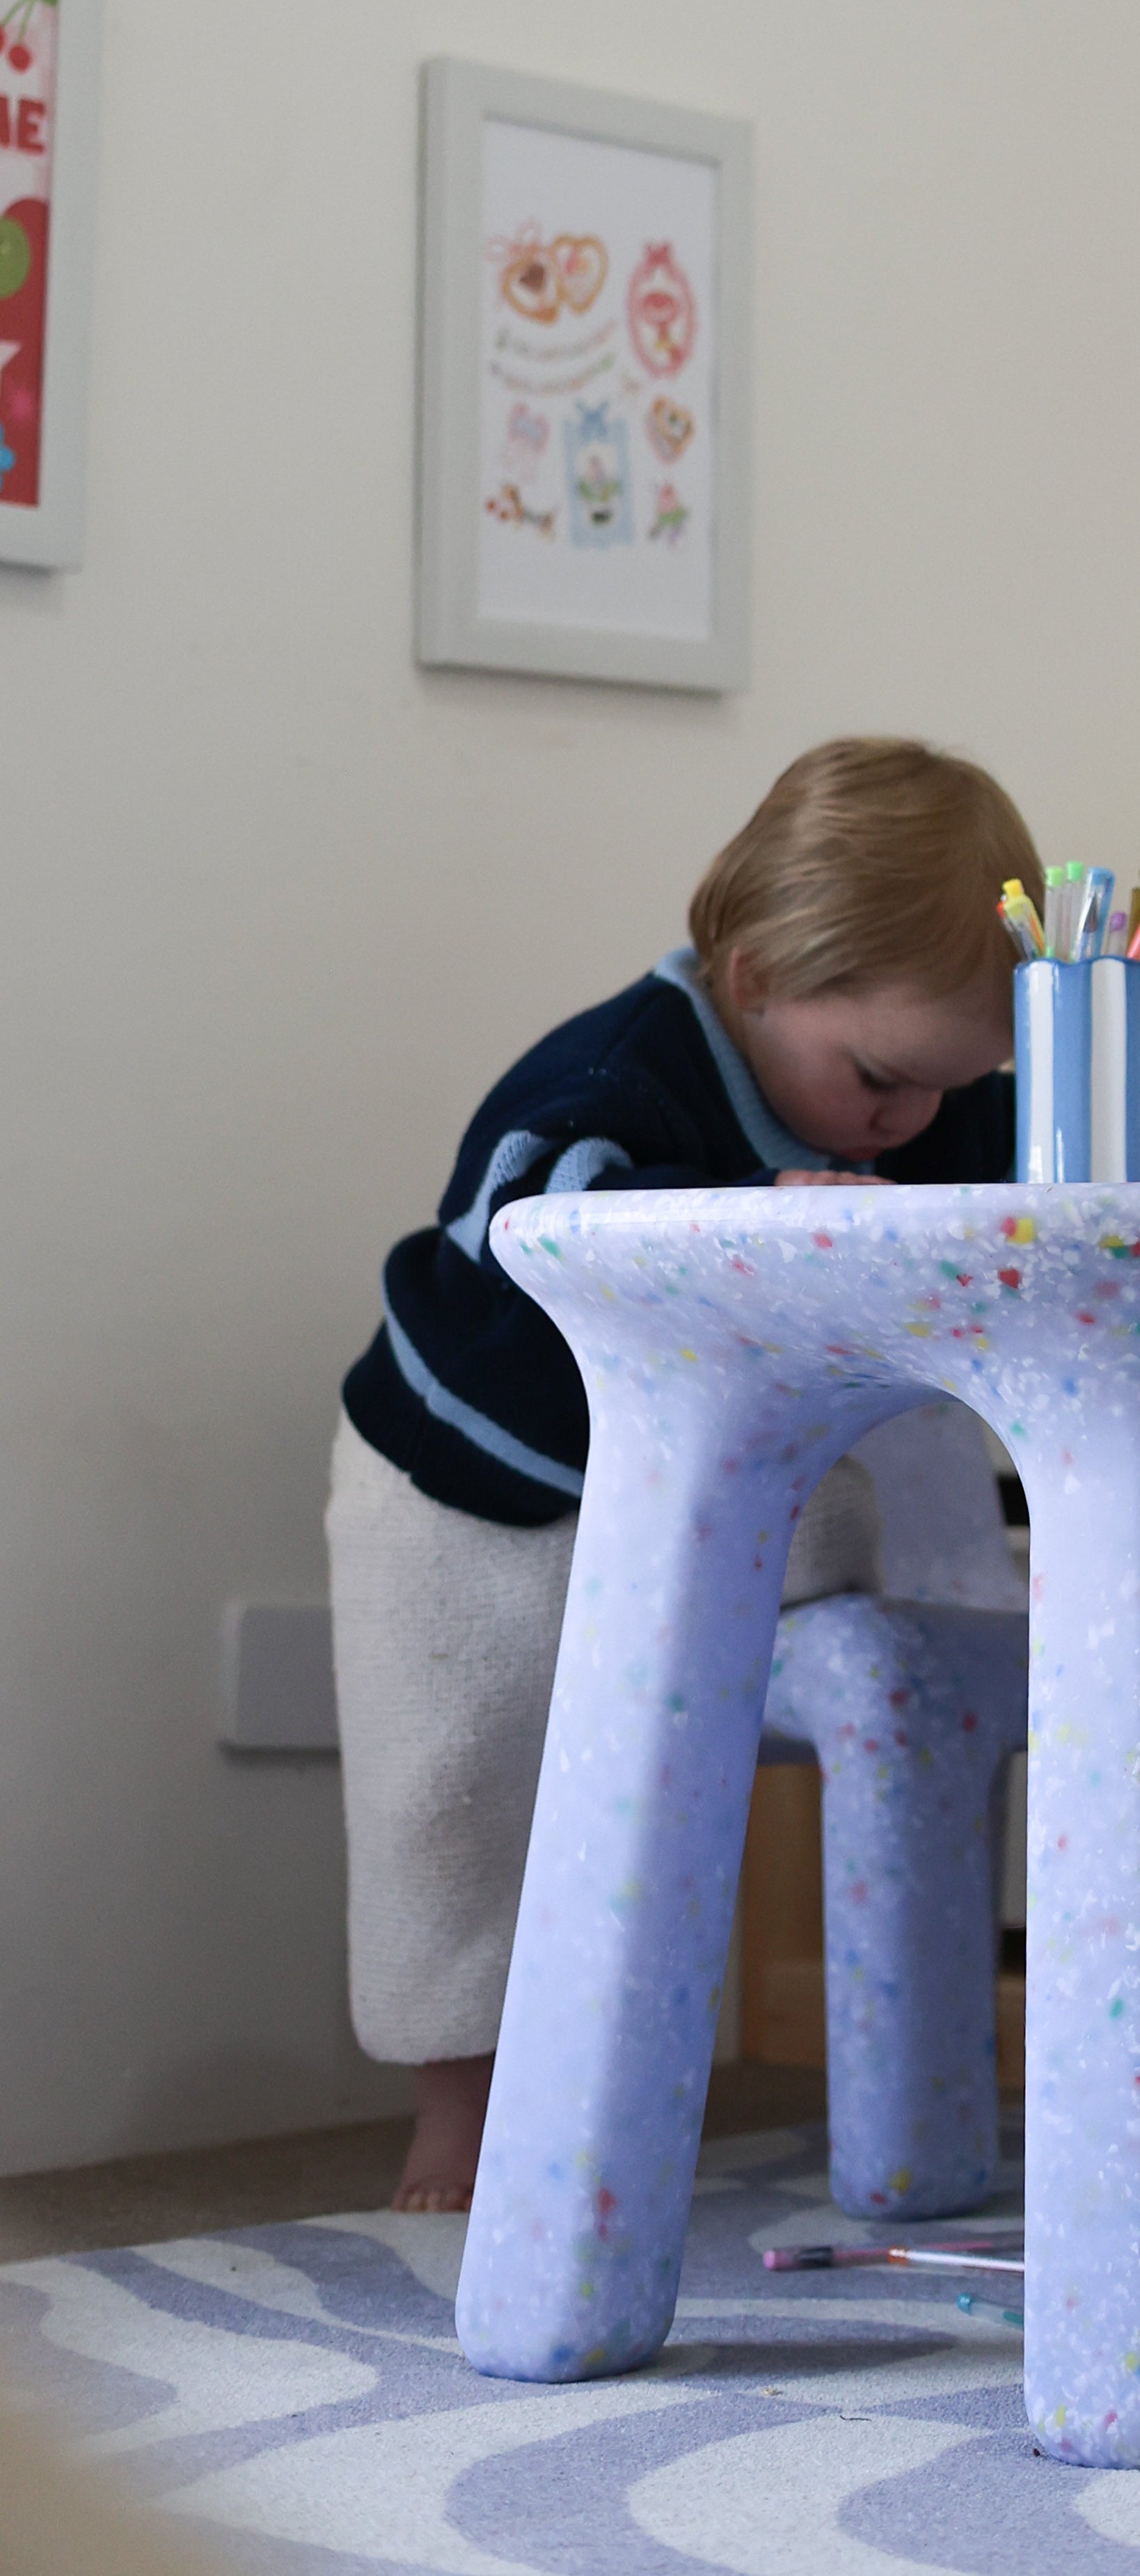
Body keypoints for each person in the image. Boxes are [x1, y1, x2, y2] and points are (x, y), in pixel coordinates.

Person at [330, 738, 1042, 2211]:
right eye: (881, 1080)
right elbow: (544, 1215)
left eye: (950, 1085)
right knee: (454, 1786)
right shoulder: (620, 1070)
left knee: (823, 1659)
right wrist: (742, 1206)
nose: (909, 1124)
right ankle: (458, 2114)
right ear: (758, 973)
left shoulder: (918, 1088)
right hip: (475, 1478)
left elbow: (1028, 1161)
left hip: (703, 1482)